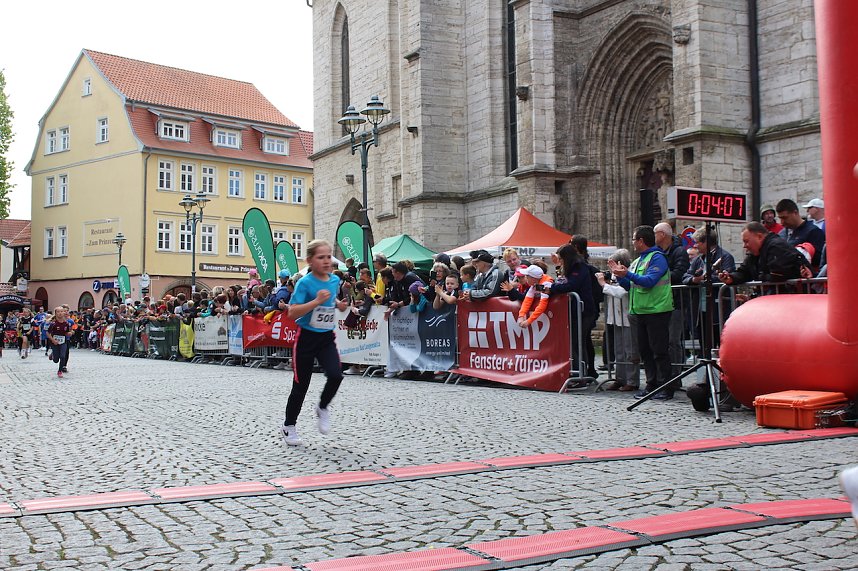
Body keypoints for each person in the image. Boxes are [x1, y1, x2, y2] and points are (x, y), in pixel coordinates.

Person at [280, 239, 350, 446]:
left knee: (336, 375)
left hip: (326, 337)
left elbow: (330, 300)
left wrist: (339, 305)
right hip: (306, 338)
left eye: (329, 256)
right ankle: (289, 426)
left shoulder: (334, 280)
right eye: (321, 257)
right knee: (301, 385)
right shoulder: (304, 283)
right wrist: (316, 301)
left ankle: (322, 407)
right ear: (310, 260)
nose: (327, 261)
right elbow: (292, 312)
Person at [610, 225, 675, 400]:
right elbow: (631, 287)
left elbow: (649, 281)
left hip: (657, 310)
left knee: (659, 351)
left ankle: (666, 387)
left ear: (640, 241)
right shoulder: (638, 260)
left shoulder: (658, 258)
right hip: (640, 311)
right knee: (645, 351)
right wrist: (619, 276)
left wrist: (627, 275)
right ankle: (651, 385)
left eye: (633, 239)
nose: (632, 243)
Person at [548, 243, 596, 383]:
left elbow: (571, 285)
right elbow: (563, 281)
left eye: (561, 259)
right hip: (575, 310)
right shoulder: (571, 267)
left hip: (583, 310)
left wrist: (552, 288)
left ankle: (580, 374)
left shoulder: (579, 267)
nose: (561, 262)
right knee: (577, 342)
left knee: (577, 342)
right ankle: (580, 372)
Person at [596, 250, 640, 392]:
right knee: (619, 349)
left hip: (627, 314)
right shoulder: (616, 276)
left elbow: (622, 292)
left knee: (630, 350)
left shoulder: (629, 274)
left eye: (613, 264)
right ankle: (620, 379)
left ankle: (632, 380)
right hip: (615, 316)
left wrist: (604, 285)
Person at [718, 221, 811, 287]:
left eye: (746, 241)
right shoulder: (754, 254)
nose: (744, 246)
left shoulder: (776, 246)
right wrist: (730, 278)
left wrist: (761, 276)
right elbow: (744, 272)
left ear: (759, 236)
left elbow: (777, 276)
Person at [654, 222, 690, 381]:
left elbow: (679, 273)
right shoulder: (659, 252)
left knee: (673, 340)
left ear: (662, 235)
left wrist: (657, 275)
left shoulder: (679, 251)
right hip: (662, 301)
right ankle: (665, 374)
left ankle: (675, 375)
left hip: (676, 301)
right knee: (663, 340)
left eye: (655, 234)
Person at [776, 198, 825, 268]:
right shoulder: (781, 234)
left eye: (785, 218)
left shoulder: (813, 231)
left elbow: (819, 260)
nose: (782, 222)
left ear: (795, 213)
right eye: (780, 218)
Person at [47, 306, 72, 378]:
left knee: (63, 356)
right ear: (55, 313)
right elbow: (48, 333)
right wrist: (53, 340)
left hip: (63, 342)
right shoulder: (53, 324)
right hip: (54, 342)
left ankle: (60, 371)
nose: (60, 313)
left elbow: (67, 332)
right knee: (56, 360)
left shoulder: (66, 323)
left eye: (62, 311)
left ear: (64, 313)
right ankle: (53, 355)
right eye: (58, 312)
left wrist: (69, 333)